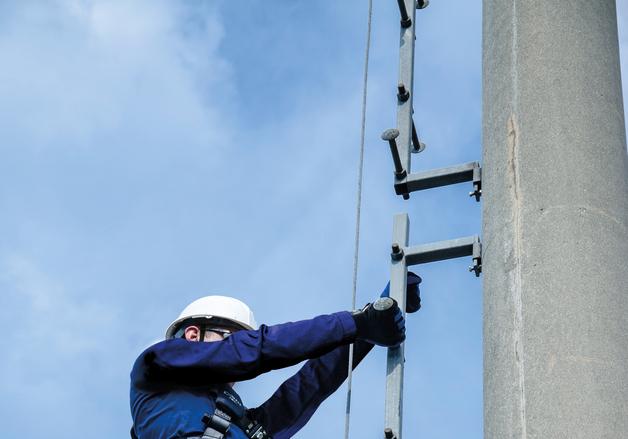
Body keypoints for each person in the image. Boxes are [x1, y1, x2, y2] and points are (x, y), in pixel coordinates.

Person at [130, 273, 422, 439]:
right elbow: (256, 349)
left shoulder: (235, 419)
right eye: (231, 336)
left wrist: (373, 321)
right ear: (193, 335)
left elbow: (308, 387)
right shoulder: (155, 367)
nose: (237, 347)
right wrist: (354, 322)